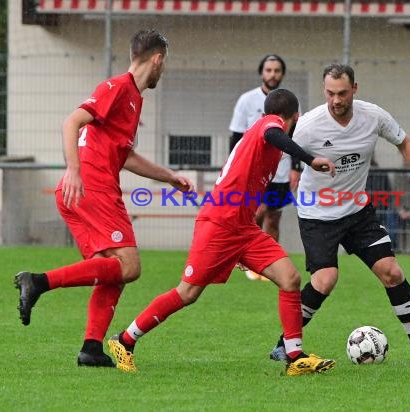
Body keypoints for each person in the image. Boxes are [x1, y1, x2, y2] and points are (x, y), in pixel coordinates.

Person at [107, 89, 337, 376]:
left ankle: (295, 357)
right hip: (218, 225)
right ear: (294, 118)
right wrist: (310, 159)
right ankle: (124, 341)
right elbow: (274, 133)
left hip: (244, 229)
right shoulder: (267, 126)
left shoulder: (265, 141)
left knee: (290, 279)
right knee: (188, 293)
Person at [13, 29, 195, 367]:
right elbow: (72, 122)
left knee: (113, 271)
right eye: (164, 63)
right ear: (157, 59)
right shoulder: (117, 88)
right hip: (91, 188)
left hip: (84, 191)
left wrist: (169, 177)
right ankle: (37, 282)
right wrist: (74, 170)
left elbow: (125, 156)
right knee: (130, 266)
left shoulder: (133, 99)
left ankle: (91, 348)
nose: (163, 70)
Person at [268, 63, 410, 363]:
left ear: (354, 89)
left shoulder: (373, 116)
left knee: (391, 272)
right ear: (323, 91)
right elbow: (277, 148)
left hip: (357, 210)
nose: (336, 100)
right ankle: (283, 344)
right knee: (325, 279)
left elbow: (404, 143)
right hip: (318, 213)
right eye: (330, 93)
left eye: (342, 93)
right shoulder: (310, 124)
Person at [229, 54, 300, 281]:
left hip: (280, 171)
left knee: (273, 218)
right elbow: (236, 136)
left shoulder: (290, 102)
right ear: (262, 72)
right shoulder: (247, 100)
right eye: (269, 70)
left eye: (277, 70)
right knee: (256, 212)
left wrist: (296, 167)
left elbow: (297, 136)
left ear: (282, 74)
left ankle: (270, 265)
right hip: (253, 170)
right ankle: (248, 258)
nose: (272, 74)